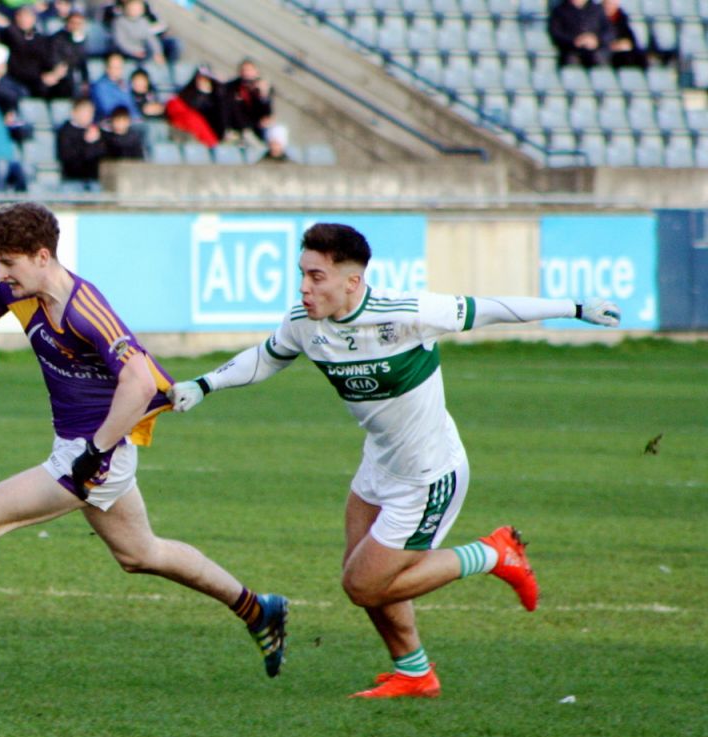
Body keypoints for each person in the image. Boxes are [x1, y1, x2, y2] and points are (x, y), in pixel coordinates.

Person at [167, 223, 622, 699]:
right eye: (302, 274)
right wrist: (203, 386)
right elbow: (266, 358)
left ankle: (493, 553)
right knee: (367, 574)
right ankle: (415, 673)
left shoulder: (407, 312)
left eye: (317, 276)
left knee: (363, 587)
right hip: (379, 463)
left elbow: (491, 309)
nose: (304, 286)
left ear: (352, 282)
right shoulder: (304, 323)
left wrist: (573, 308)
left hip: (429, 476)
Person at [0, 201, 290, 688]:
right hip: (84, 449)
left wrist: (96, 449)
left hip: (94, 456)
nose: (1, 274)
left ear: (42, 256)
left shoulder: (84, 308)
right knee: (140, 554)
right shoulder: (19, 291)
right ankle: (258, 609)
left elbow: (137, 380)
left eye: (9, 263)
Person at [548, 0, 612, 69]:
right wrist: (575, 41)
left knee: (600, 60)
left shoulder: (597, 9)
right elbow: (556, 33)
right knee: (571, 62)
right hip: (570, 52)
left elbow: (608, 31)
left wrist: (596, 40)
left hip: (595, 52)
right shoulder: (560, 10)